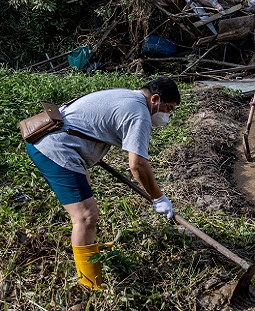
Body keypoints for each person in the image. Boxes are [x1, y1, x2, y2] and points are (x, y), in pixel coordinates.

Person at [25, 76, 180, 289]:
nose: (167, 115)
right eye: (168, 108)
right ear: (155, 99)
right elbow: (138, 165)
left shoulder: (127, 96)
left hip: (54, 138)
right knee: (86, 217)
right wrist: (158, 197)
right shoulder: (139, 114)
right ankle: (90, 285)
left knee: (84, 201)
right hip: (55, 148)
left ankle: (89, 247)